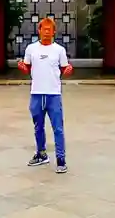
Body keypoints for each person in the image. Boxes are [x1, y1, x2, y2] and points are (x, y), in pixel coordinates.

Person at [17, 17, 73, 173]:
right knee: (38, 127)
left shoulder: (59, 50)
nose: (47, 32)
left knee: (58, 128)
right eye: (44, 29)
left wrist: (68, 70)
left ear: (54, 32)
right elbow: (27, 68)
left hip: (53, 94)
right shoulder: (31, 49)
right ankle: (41, 154)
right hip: (36, 93)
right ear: (39, 31)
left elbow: (65, 68)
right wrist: (22, 67)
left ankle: (61, 160)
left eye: (50, 29)